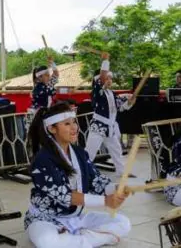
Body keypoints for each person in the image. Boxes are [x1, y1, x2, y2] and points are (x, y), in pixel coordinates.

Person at [25, 102, 132, 248]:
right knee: (47, 242)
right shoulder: (43, 159)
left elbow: (97, 182)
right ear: (52, 128)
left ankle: (77, 240)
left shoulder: (80, 153)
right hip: (45, 219)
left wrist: (116, 188)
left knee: (123, 223)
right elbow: (65, 196)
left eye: (74, 121)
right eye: (67, 124)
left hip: (76, 218)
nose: (74, 127)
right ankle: (91, 239)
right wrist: (105, 201)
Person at [84, 53, 135, 177]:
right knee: (90, 152)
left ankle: (121, 172)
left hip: (110, 127)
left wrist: (130, 101)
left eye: (110, 78)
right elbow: (101, 78)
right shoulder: (97, 91)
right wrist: (106, 60)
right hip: (98, 127)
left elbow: (120, 107)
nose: (109, 80)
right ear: (99, 80)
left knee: (116, 150)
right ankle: (83, 172)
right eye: (106, 78)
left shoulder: (111, 93)